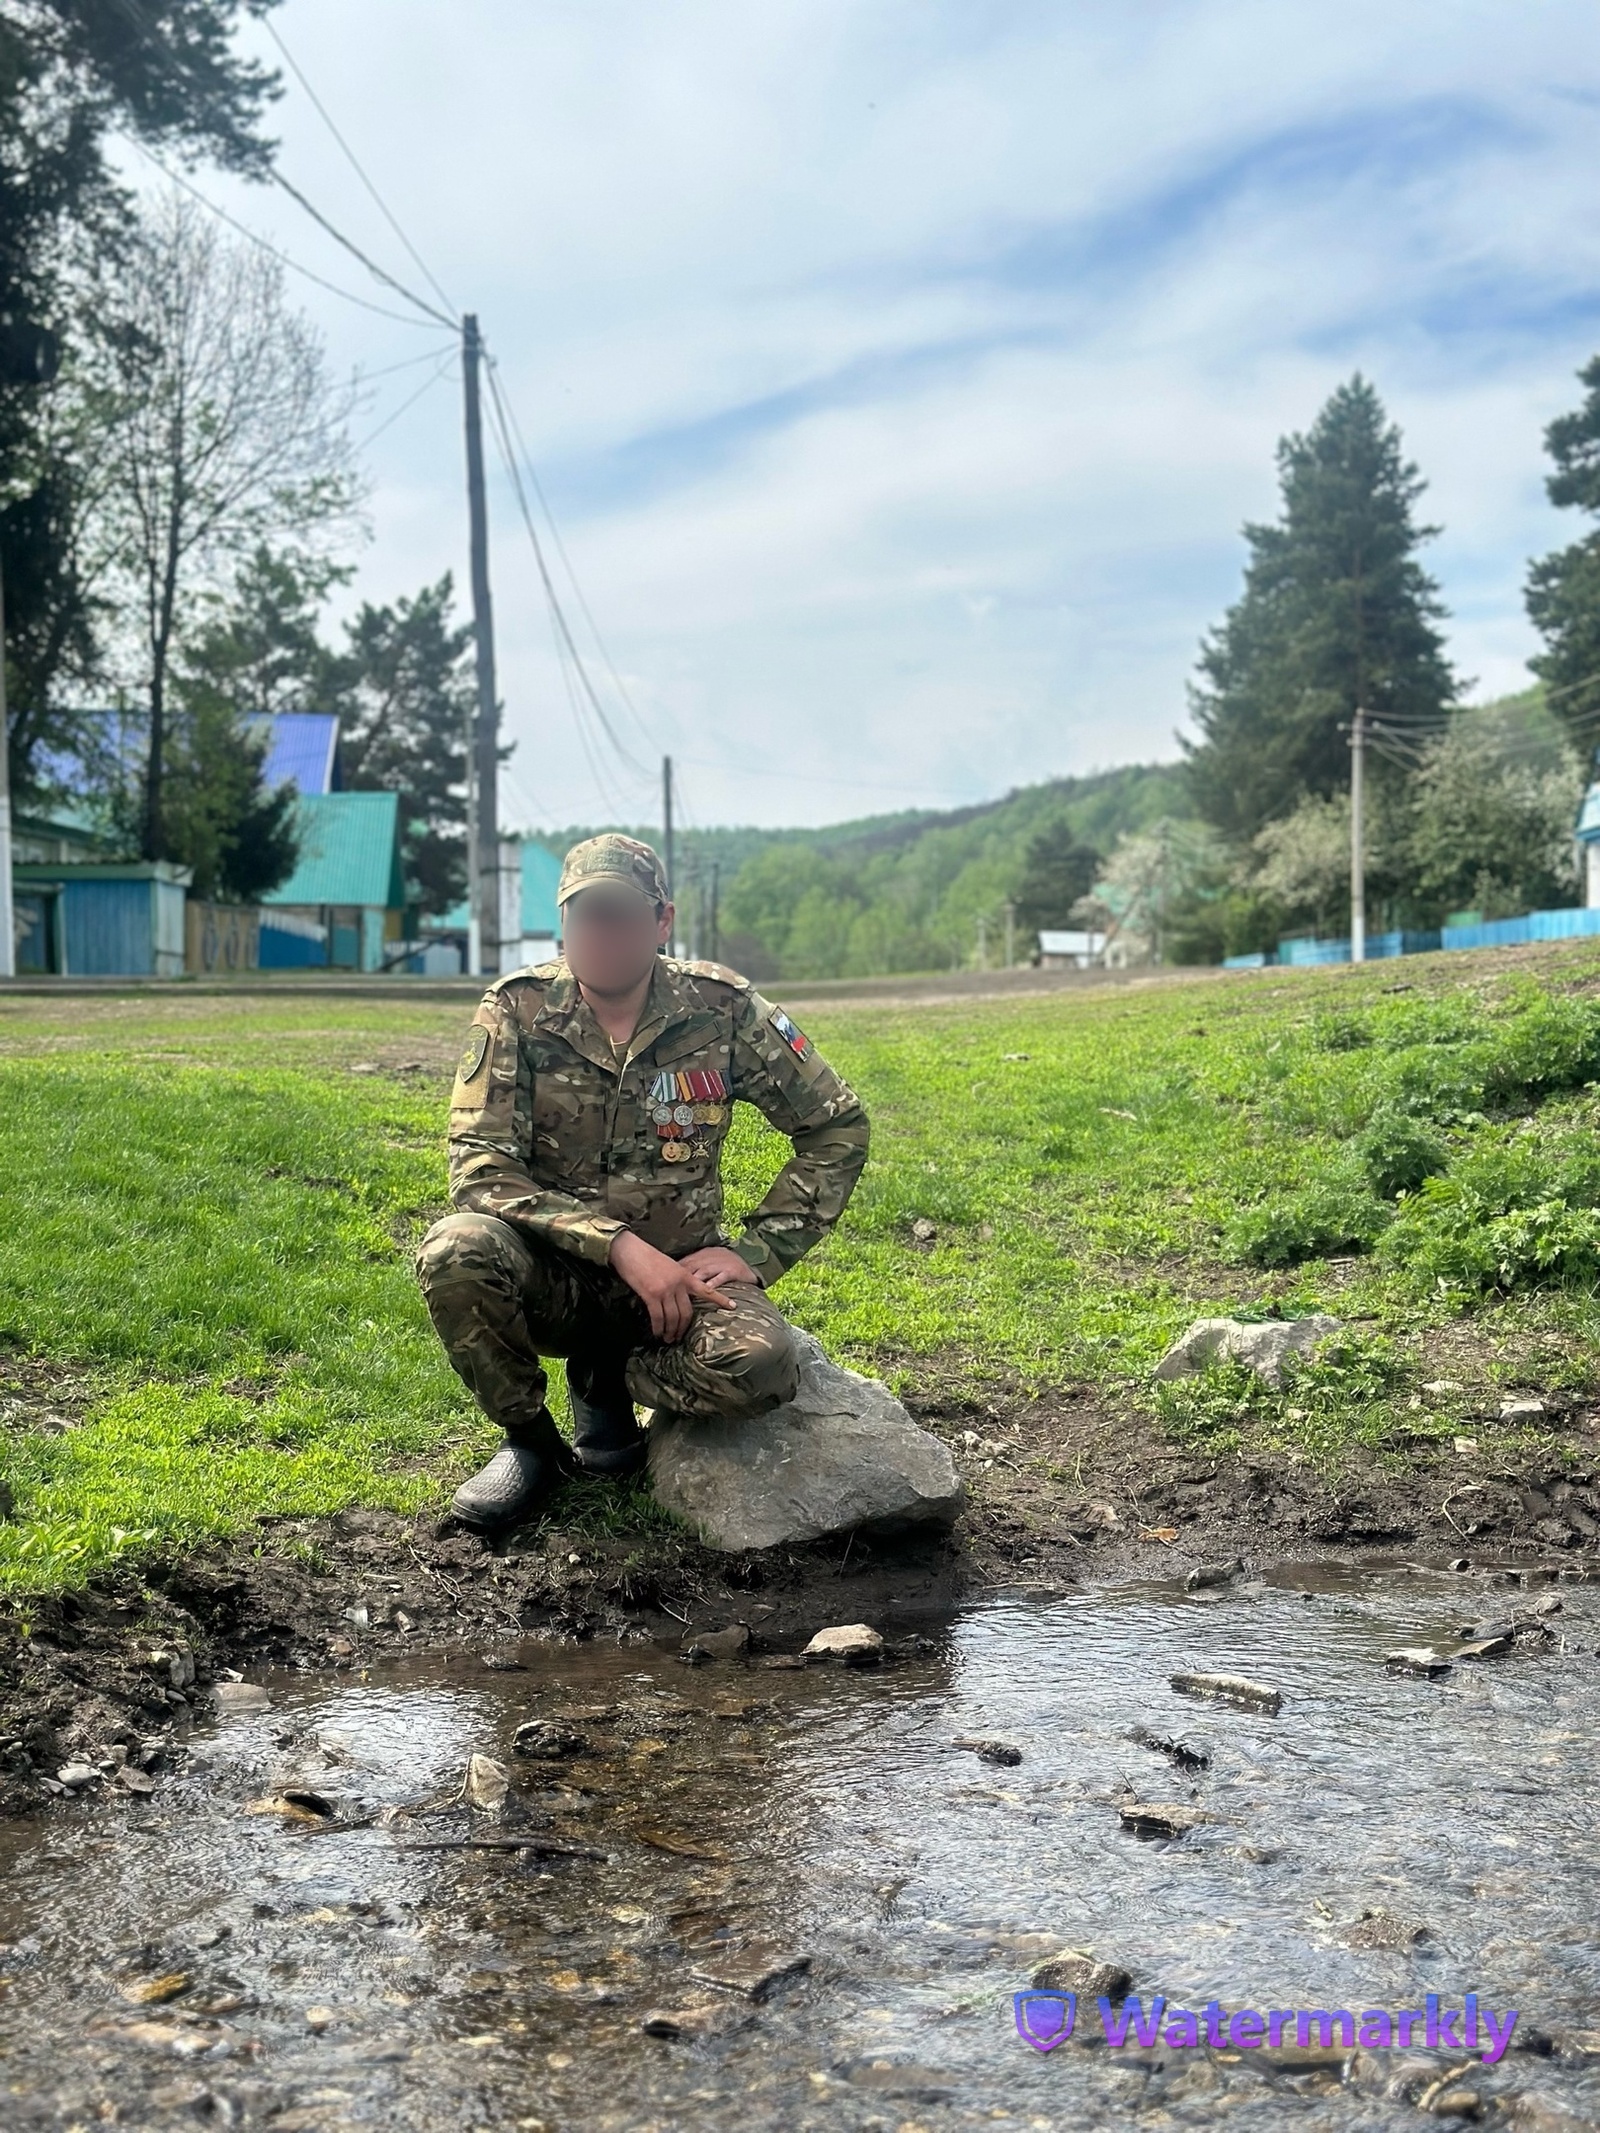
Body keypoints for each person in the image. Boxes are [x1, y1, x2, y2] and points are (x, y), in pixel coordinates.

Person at [416, 833, 870, 1531]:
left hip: (680, 1290)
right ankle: (533, 1446)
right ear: (564, 922)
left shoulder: (720, 1008)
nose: (601, 932)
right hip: (554, 1277)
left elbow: (836, 1125)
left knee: (763, 1365)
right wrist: (620, 1246)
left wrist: (759, 1252)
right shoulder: (519, 1008)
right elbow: (480, 1169)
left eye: (621, 914)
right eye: (585, 914)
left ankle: (609, 1380)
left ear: (662, 921)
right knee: (457, 1250)